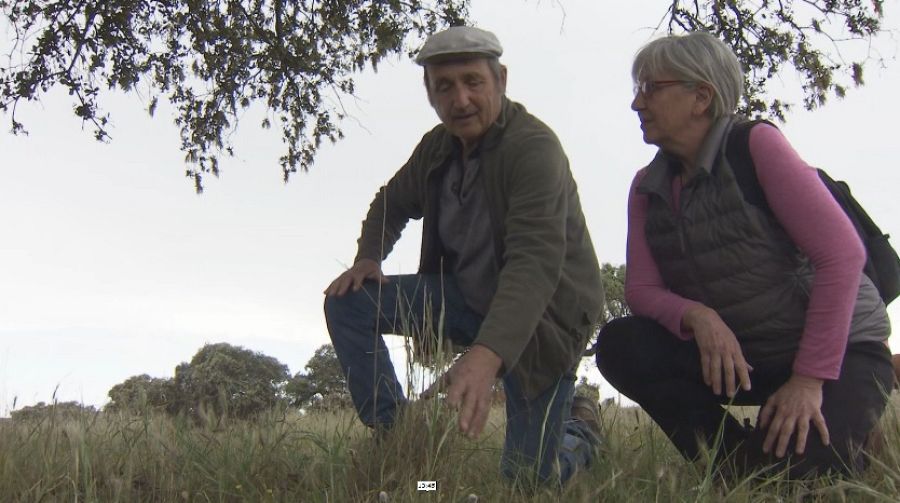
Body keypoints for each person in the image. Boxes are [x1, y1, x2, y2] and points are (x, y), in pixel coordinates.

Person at [596, 31, 892, 478]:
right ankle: (733, 465)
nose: (638, 104)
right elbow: (641, 290)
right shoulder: (647, 185)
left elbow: (842, 256)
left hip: (837, 354)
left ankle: (797, 455)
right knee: (622, 344)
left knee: (801, 483)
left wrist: (809, 380)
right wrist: (699, 316)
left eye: (652, 88)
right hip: (746, 359)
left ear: (701, 97)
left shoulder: (755, 146)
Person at [323, 26, 604, 486]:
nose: (461, 100)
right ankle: (396, 432)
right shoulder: (437, 147)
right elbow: (390, 201)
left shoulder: (534, 149)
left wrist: (484, 355)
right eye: (444, 87)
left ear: (501, 80)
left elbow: (534, 264)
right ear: (429, 93)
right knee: (349, 301)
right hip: (467, 298)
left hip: (543, 319)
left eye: (473, 81)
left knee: (527, 483)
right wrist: (367, 257)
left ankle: (581, 432)